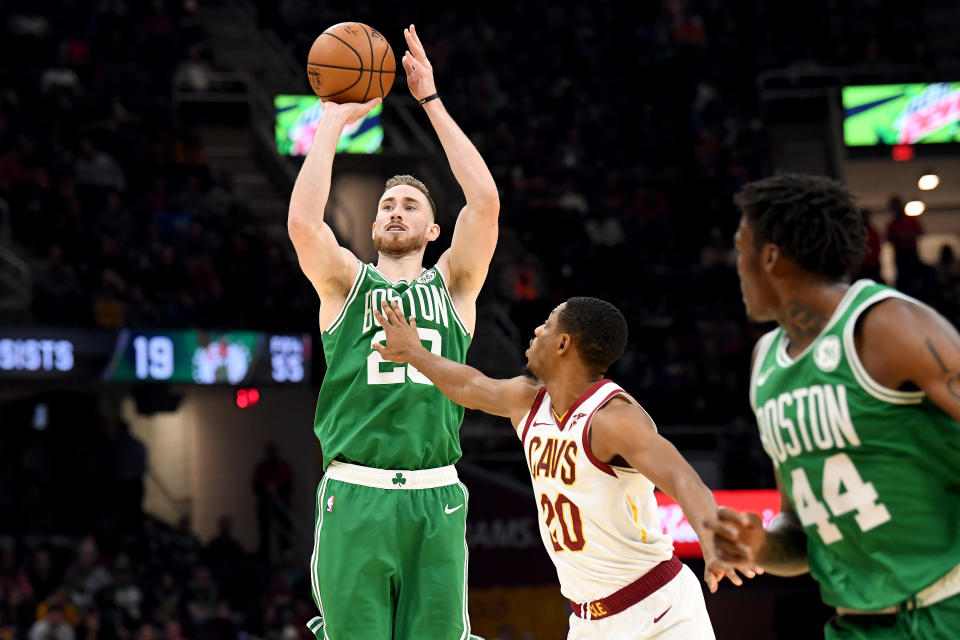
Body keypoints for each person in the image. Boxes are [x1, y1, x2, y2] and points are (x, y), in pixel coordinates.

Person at [286, 24, 499, 640]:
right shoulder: (346, 285)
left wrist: (430, 100)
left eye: (410, 205)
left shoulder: (454, 288)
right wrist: (330, 120)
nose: (395, 210)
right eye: (386, 205)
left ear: (435, 231)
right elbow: (304, 223)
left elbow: (483, 203)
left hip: (438, 494)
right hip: (356, 492)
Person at [373, 297, 756, 639]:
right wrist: (414, 353)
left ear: (563, 344)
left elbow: (680, 476)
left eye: (548, 323)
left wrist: (712, 538)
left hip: (659, 611)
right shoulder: (527, 400)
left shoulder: (612, 418)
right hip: (589, 622)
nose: (537, 329)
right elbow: (469, 385)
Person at [710, 174, 960, 639]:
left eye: (741, 249)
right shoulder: (765, 364)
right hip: (854, 624)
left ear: (769, 257)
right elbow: (801, 534)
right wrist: (760, 546)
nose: (737, 265)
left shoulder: (888, 326)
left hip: (945, 611)